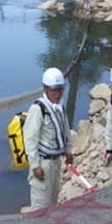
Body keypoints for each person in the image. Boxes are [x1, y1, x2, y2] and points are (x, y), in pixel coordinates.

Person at [22, 67, 74, 210]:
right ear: (45, 89)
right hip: (43, 163)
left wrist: (68, 151)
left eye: (60, 89)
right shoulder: (38, 109)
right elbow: (30, 139)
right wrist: (35, 166)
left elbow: (65, 129)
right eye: (54, 90)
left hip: (56, 162)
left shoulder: (60, 106)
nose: (58, 93)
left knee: (53, 200)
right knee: (40, 206)